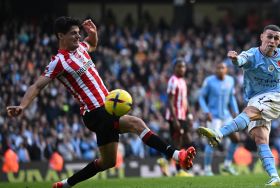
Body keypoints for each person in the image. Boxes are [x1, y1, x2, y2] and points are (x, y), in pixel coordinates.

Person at [6, 17, 196, 188]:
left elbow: (93, 45)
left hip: (105, 108)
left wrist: (93, 35)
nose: (77, 37)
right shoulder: (59, 62)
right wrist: (23, 105)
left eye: (79, 33)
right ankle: (178, 155)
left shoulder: (81, 48)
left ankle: (65, 184)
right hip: (93, 111)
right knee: (136, 123)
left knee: (108, 162)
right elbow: (37, 86)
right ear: (60, 35)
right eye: (73, 34)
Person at [198, 24, 280, 186]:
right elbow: (241, 60)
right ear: (262, 37)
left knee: (250, 111)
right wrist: (235, 59)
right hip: (255, 98)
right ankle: (274, 176)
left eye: (276, 38)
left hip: (275, 97)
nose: (272, 40)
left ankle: (219, 134)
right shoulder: (252, 55)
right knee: (260, 139)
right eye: (269, 37)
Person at [198, 62, 240, 176]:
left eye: (222, 68)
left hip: (226, 115)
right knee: (213, 142)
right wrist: (206, 111)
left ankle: (227, 165)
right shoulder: (209, 81)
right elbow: (201, 97)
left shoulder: (230, 80)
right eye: (218, 68)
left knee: (236, 139)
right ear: (215, 70)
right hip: (214, 117)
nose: (220, 70)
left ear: (226, 70)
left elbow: (231, 97)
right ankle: (207, 169)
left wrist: (235, 111)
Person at [162, 58, 194, 177]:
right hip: (174, 117)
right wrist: (174, 119)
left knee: (186, 140)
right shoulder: (173, 80)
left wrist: (189, 115)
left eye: (183, 67)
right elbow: (169, 101)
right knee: (178, 142)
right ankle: (178, 169)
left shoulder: (183, 81)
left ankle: (165, 161)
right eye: (179, 67)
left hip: (183, 116)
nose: (182, 69)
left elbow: (185, 100)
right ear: (175, 68)